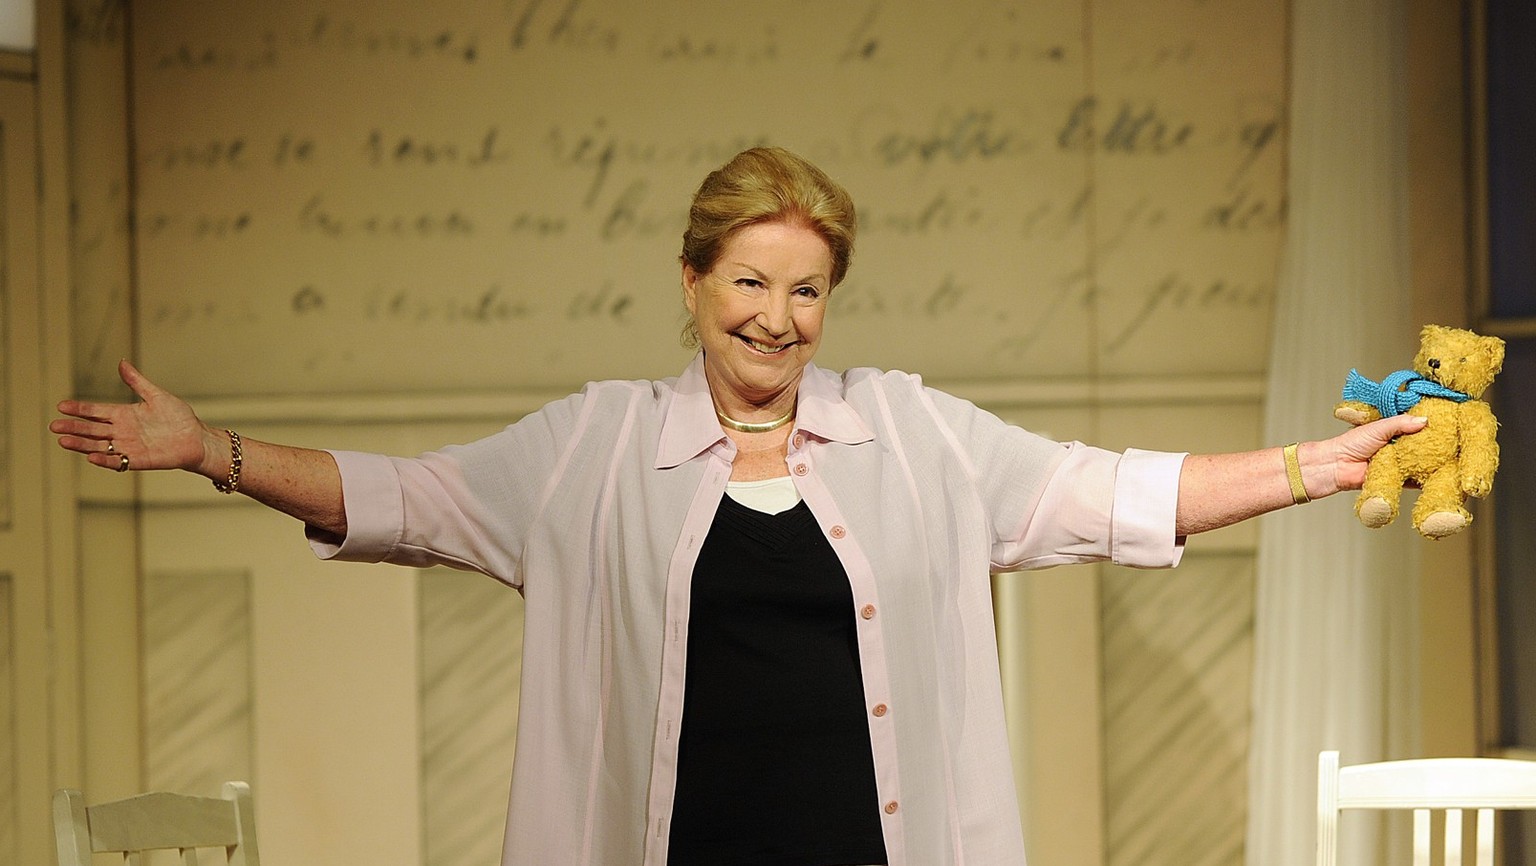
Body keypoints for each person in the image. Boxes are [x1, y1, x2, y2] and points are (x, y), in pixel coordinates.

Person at [51, 146, 1424, 866]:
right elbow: (401, 498)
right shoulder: (593, 447)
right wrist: (209, 449)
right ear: (695, 280)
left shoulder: (915, 435)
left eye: (807, 288)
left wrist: (1320, 465)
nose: (778, 316)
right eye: (751, 282)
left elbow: (1119, 492)